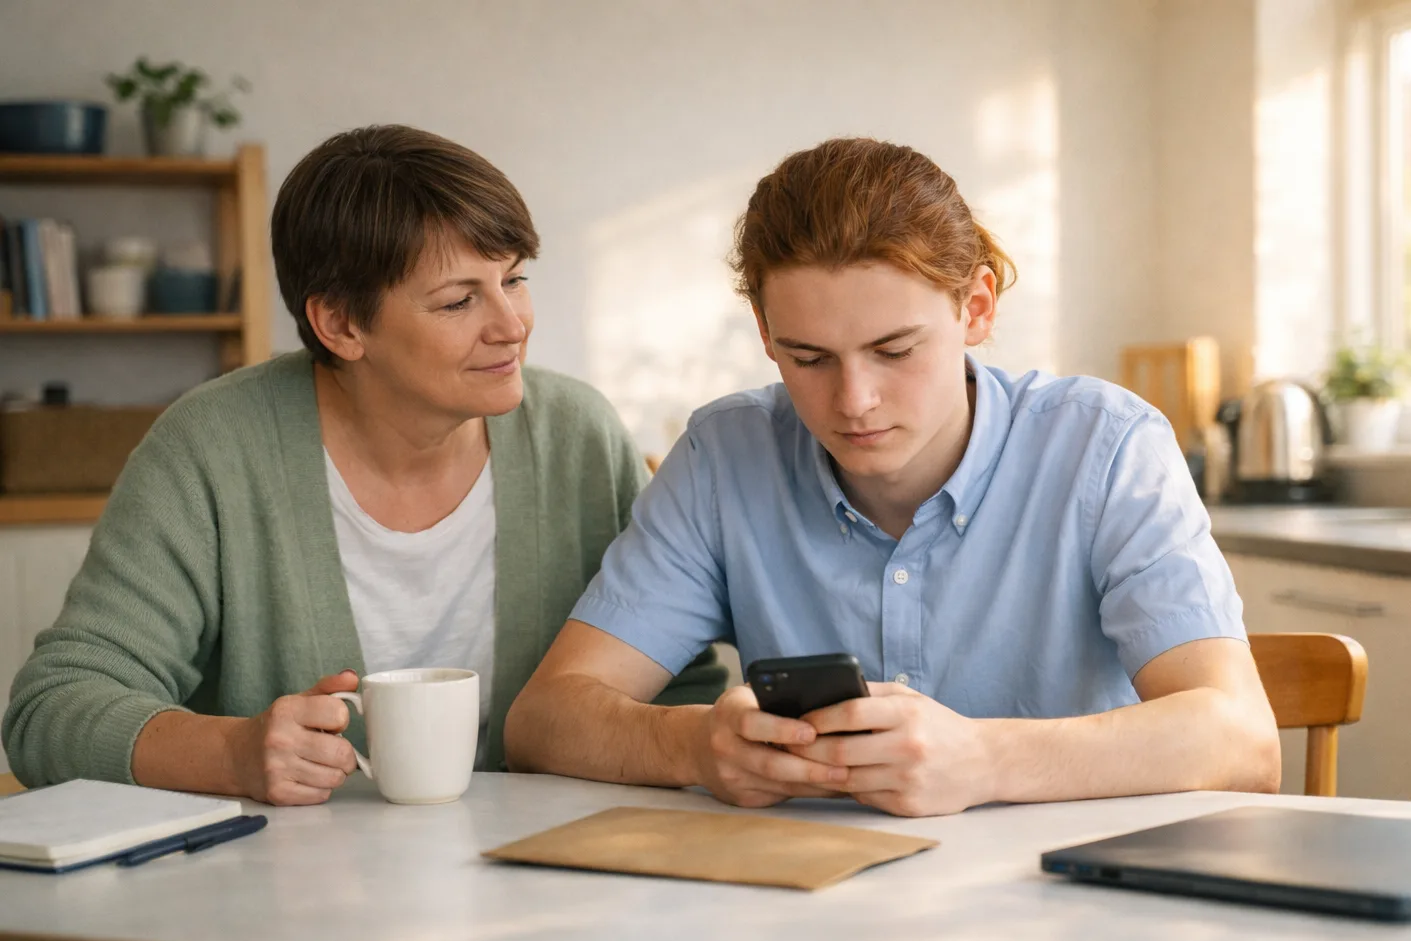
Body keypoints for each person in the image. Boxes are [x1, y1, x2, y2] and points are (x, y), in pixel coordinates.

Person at [505, 138, 1280, 817]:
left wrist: (983, 760)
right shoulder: (724, 455)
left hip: (1067, 912)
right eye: (808, 358)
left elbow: (1242, 740)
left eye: (896, 350)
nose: (854, 402)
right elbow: (543, 723)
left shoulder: (1106, 449)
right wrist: (692, 746)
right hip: (813, 912)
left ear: (975, 308)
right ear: (767, 335)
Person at [2, 125, 722, 803]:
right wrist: (232, 753)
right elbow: (51, 708)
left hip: (549, 875)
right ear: (341, 324)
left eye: (514, 279)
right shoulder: (211, 448)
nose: (512, 325)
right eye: (457, 301)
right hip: (286, 891)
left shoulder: (579, 437)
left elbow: (675, 689)